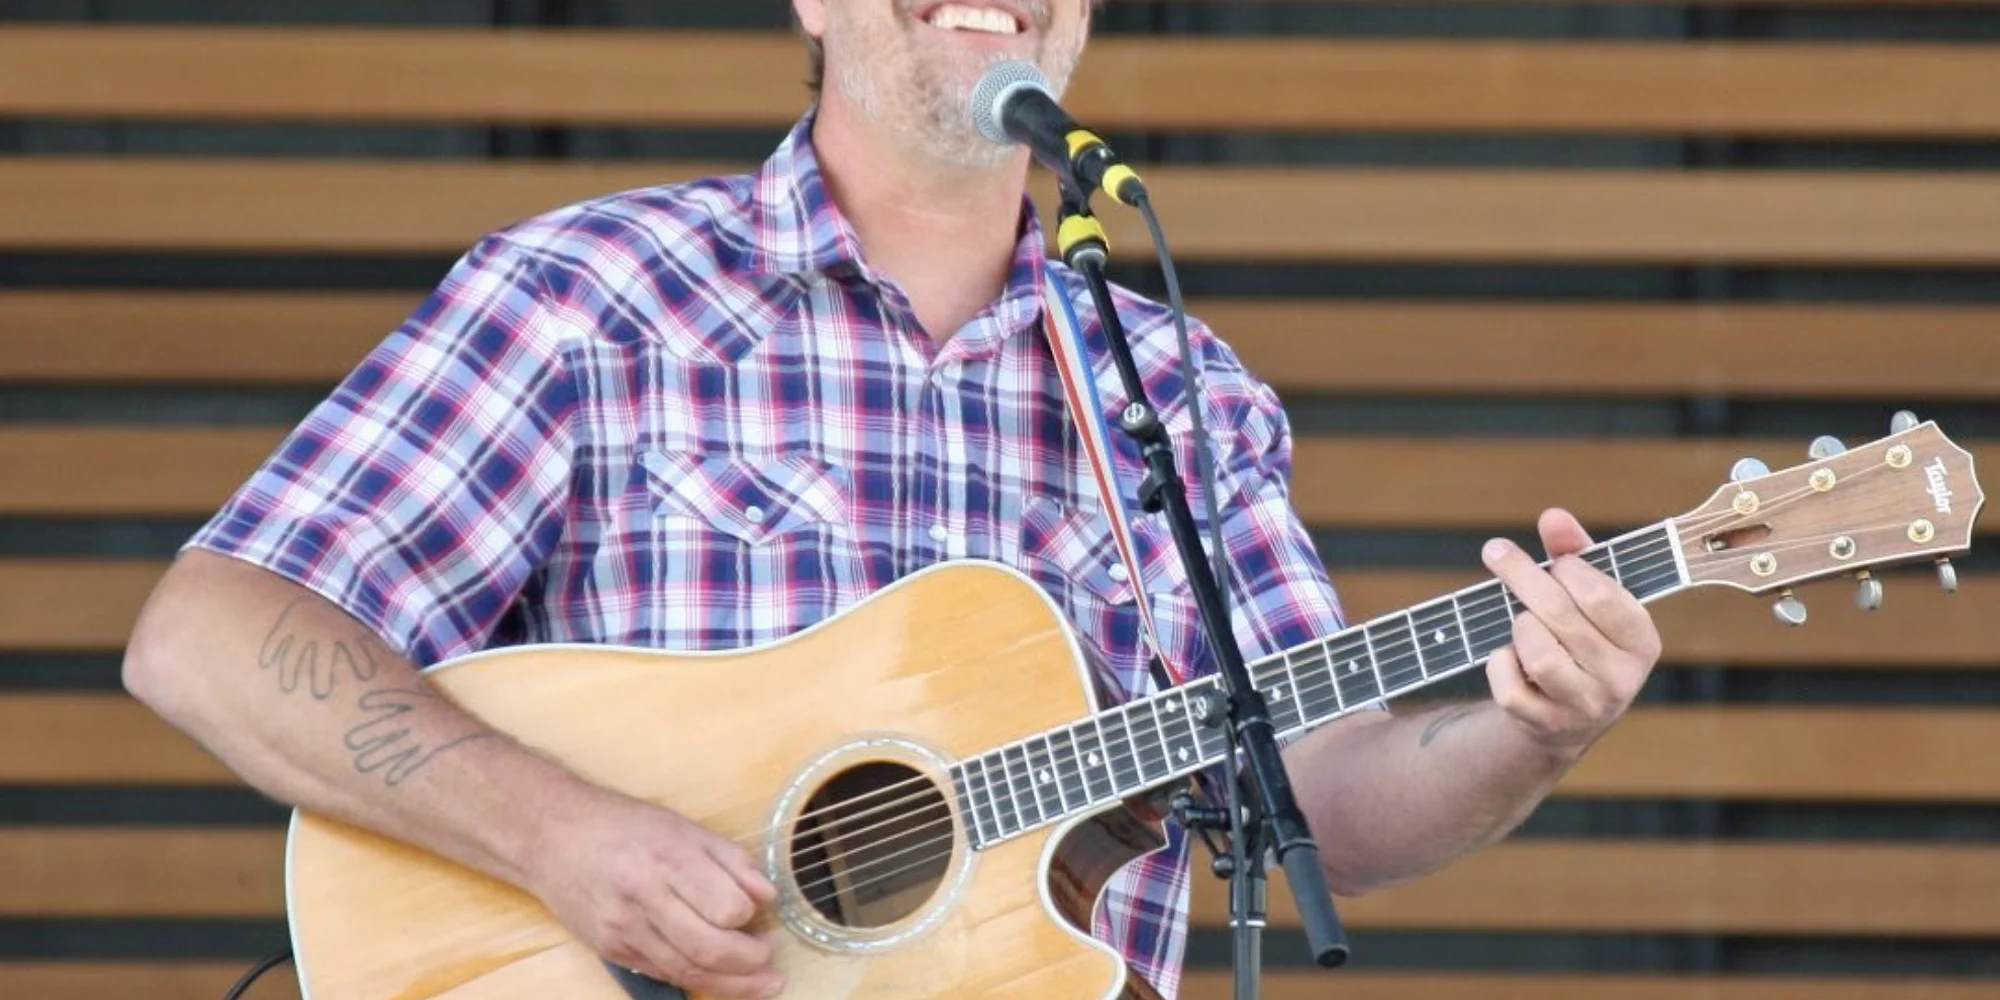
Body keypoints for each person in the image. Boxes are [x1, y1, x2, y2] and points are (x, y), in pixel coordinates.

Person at [121, 1, 1665, 998]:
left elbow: (1320, 797)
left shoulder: (1176, 388)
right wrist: (565, 842)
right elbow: (208, 635)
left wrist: (1532, 730)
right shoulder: (591, 297)